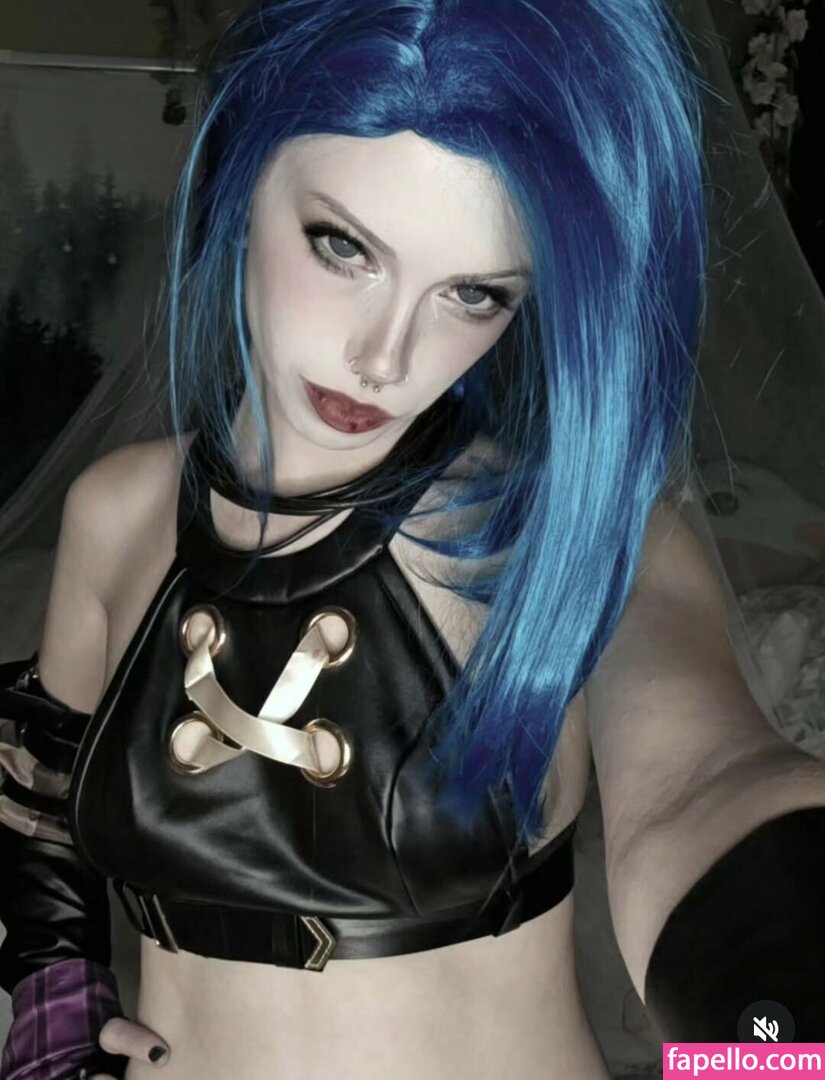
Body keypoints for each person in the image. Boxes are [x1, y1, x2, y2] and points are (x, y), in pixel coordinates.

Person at [2, 1, 825, 1077]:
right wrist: (52, 1007)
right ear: (243, 182)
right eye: (343, 247)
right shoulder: (118, 516)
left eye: (471, 294)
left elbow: (703, 788)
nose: (384, 357)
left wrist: (778, 1048)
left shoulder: (561, 541)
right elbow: (39, 796)